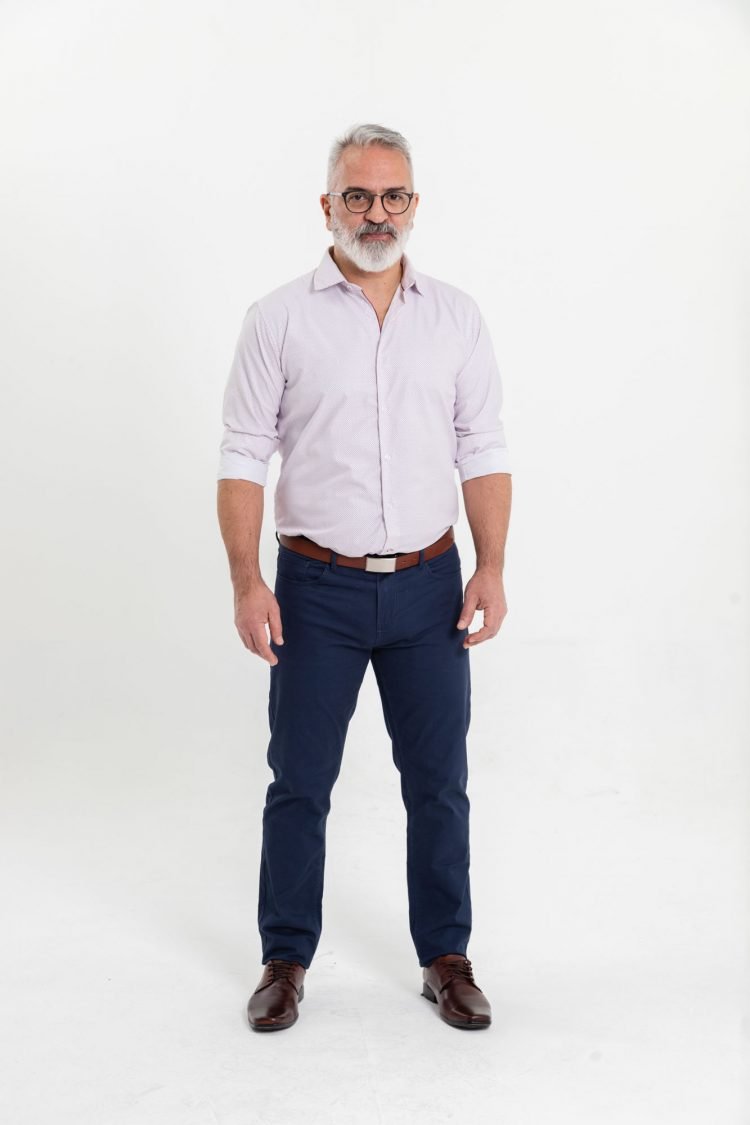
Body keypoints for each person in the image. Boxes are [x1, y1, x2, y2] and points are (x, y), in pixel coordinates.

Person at [216, 123, 512, 1032]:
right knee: (299, 781)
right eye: (358, 196)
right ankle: (284, 958)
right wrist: (247, 581)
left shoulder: (455, 317)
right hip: (316, 589)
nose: (376, 213)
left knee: (438, 782)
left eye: (392, 196)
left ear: (414, 204)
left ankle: (446, 957)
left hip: (430, 586)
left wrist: (492, 565)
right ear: (328, 206)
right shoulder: (278, 318)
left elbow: (482, 446)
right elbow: (242, 454)